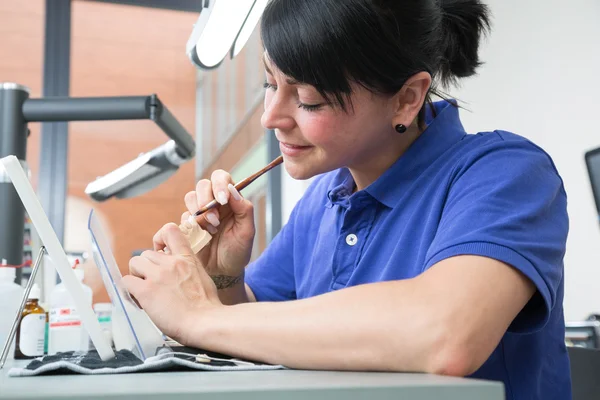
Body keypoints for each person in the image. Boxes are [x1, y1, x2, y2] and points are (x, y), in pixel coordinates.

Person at [123, 0, 571, 398]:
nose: (269, 118)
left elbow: (445, 335)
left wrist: (199, 316)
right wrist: (223, 280)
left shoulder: (505, 173)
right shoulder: (323, 199)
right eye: (269, 83)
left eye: (309, 99)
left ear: (406, 99)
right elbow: (258, 330)